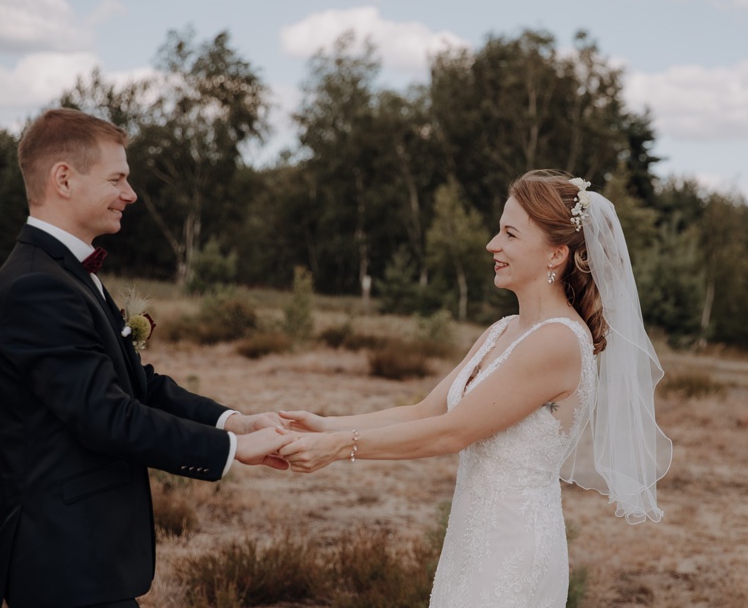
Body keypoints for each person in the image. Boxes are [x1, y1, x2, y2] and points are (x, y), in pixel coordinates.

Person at [278, 170, 672, 608]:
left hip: (512, 550)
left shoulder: (557, 341)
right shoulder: (503, 330)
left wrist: (339, 449)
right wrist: (323, 426)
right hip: (473, 538)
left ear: (555, 254)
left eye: (509, 233)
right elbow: (427, 411)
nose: (492, 245)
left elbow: (453, 432)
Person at [0, 108, 293, 608]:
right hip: (63, 567)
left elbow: (136, 385)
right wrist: (230, 451)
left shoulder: (70, 275)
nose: (131, 194)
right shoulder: (36, 286)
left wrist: (236, 421)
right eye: (117, 178)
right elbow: (107, 417)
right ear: (64, 178)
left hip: (93, 561)